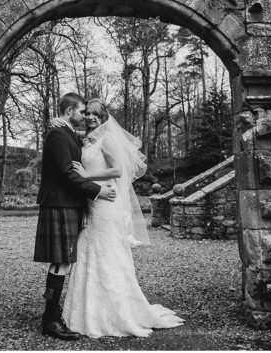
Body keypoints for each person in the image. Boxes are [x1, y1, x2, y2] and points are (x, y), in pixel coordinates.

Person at [57, 98, 185, 338]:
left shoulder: (107, 139)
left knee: (105, 251)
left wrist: (87, 175)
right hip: (92, 202)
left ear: (104, 117)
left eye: (96, 114)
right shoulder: (89, 140)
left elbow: (118, 170)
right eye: (88, 114)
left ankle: (116, 312)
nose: (91, 118)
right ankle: (86, 310)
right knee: (89, 250)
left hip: (106, 204)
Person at [33, 92, 118, 341]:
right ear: (70, 110)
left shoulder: (65, 131)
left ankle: (52, 315)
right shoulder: (58, 134)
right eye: (82, 111)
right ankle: (49, 319)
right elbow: (64, 173)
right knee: (61, 261)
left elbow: (89, 141)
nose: (84, 116)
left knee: (64, 260)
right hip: (60, 204)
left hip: (67, 205)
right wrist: (98, 190)